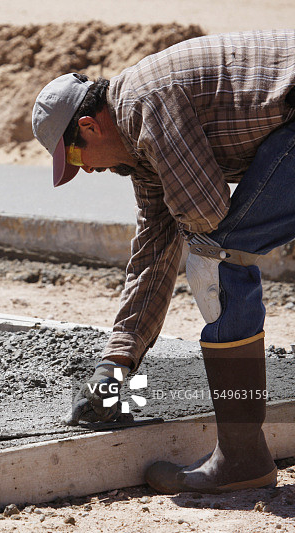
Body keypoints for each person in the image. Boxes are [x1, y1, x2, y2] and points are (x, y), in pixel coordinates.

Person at [31, 29, 295, 494]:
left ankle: (242, 458)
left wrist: (185, 220)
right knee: (213, 249)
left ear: (90, 125)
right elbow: (154, 251)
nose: (87, 170)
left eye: (76, 156)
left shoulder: (145, 105)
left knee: (216, 258)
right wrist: (118, 363)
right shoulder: (140, 143)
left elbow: (204, 214)